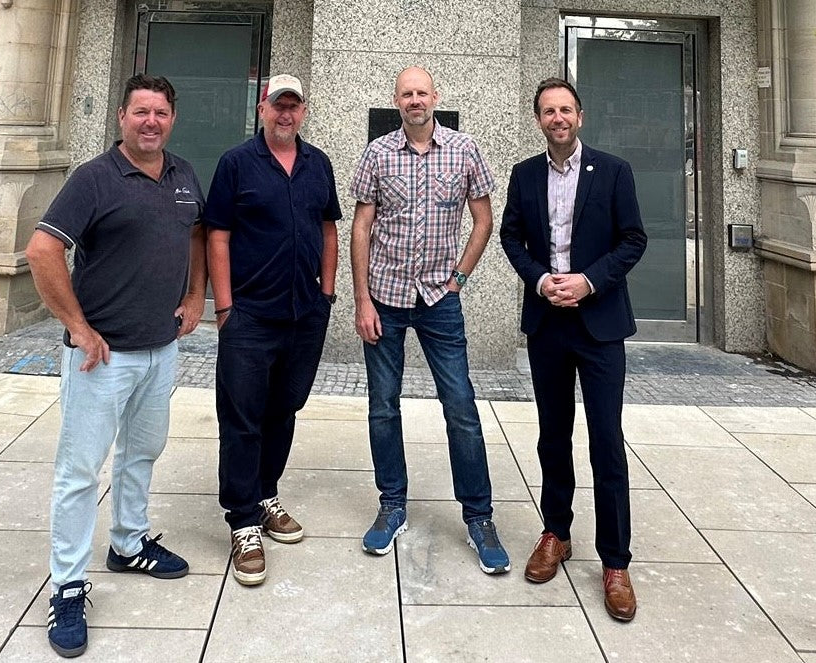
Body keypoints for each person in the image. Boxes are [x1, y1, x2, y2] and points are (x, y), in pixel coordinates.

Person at [25, 74, 207, 657]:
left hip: (161, 348)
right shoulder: (94, 179)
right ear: (122, 117)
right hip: (100, 359)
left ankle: (128, 545)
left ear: (171, 119)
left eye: (160, 113)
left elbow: (197, 233)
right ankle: (70, 586)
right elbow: (43, 249)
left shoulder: (182, 175)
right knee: (80, 473)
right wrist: (78, 327)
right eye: (140, 112)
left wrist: (196, 292)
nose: (150, 122)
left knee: (141, 454)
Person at [349, 66, 510, 574]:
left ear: (435, 97)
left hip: (441, 299)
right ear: (396, 101)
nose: (414, 100)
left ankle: (479, 516)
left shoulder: (465, 149)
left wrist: (458, 279)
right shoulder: (378, 153)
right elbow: (360, 226)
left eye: (422, 93)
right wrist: (361, 300)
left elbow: (484, 218)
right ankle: (392, 504)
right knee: (383, 407)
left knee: (460, 404)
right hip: (386, 295)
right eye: (406, 94)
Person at [500, 77, 647, 621]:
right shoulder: (524, 175)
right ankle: (556, 534)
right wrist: (541, 280)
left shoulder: (614, 171)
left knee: (607, 441)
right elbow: (511, 237)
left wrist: (588, 281)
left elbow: (633, 239)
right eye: (547, 111)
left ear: (580, 116)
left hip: (600, 323)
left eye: (565, 109)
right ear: (538, 119)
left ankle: (615, 562)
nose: (557, 118)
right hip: (548, 324)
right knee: (552, 436)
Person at [203, 74, 340, 586]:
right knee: (242, 417)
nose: (286, 114)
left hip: (305, 313)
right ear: (263, 108)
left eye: (294, 107)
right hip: (250, 316)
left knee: (284, 409)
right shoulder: (237, 163)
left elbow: (329, 227)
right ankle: (241, 521)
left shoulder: (317, 163)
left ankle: (265, 495)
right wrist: (225, 307)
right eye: (278, 105)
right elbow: (217, 233)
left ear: (303, 111)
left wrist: (326, 294)